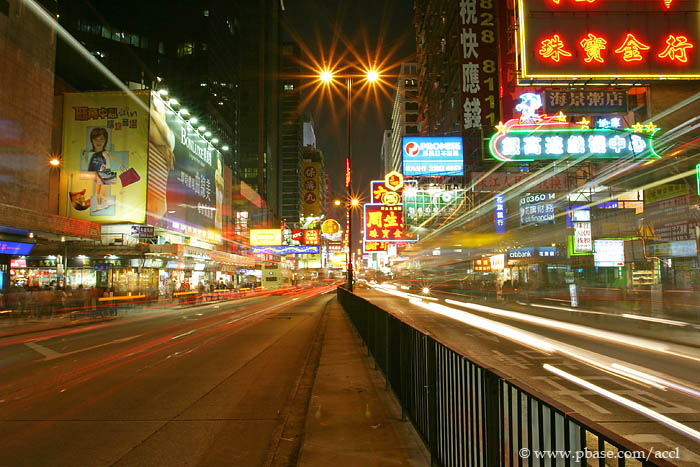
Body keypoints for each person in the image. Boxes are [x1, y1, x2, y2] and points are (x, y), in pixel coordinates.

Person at [82, 128, 126, 212]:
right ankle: (102, 204)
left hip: (106, 173)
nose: (98, 142)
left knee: (100, 192)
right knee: (97, 193)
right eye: (95, 139)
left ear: (105, 140)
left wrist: (121, 163)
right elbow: (86, 165)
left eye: (101, 139)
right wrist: (84, 157)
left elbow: (114, 158)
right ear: (92, 140)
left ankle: (107, 202)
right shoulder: (90, 154)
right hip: (98, 174)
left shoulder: (105, 152)